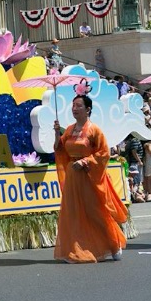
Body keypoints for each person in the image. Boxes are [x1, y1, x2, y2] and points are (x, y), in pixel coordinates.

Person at [53, 95, 127, 263]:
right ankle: (76, 249)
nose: (74, 108)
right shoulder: (70, 129)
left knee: (95, 211)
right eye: (73, 105)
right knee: (73, 214)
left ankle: (114, 244)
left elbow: (103, 154)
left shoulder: (94, 130)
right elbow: (59, 150)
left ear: (88, 109)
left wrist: (86, 161)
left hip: (89, 176)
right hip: (73, 177)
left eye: (79, 105)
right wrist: (57, 133)